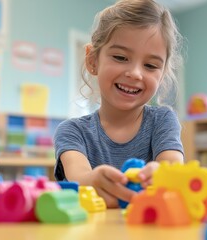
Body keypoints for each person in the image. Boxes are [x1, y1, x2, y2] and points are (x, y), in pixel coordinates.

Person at [54, 0, 184, 208]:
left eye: (150, 65)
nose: (135, 73)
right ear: (93, 61)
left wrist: (162, 174)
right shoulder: (72, 131)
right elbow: (79, 179)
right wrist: (94, 181)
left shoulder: (163, 121)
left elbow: (173, 168)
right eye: (120, 57)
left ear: (162, 75)